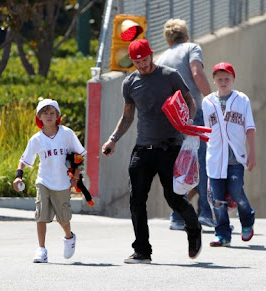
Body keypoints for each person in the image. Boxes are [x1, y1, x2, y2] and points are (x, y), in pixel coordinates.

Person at [102, 39, 202, 264]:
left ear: (151, 55)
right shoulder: (130, 83)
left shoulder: (170, 75)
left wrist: (188, 120)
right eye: (137, 62)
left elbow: (190, 102)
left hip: (170, 147)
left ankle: (193, 228)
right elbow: (127, 116)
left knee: (174, 198)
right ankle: (142, 251)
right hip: (143, 149)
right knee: (136, 199)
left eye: (145, 61)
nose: (142, 66)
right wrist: (113, 139)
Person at [157, 18, 215, 230]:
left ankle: (177, 216)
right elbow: (197, 73)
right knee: (201, 162)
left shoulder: (162, 57)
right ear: (186, 34)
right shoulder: (192, 48)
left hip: (172, 118)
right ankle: (206, 214)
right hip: (193, 114)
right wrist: (211, 99)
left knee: (180, 165)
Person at [13, 99, 86, 263]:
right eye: (44, 113)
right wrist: (19, 175)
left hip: (62, 183)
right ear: (39, 117)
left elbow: (79, 155)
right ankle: (41, 249)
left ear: (58, 115)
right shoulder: (36, 139)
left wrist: (75, 176)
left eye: (52, 112)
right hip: (43, 181)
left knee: (63, 218)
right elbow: (24, 160)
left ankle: (69, 237)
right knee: (40, 215)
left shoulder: (67, 134)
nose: (49, 116)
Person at [202, 62, 256, 247]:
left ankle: (247, 220)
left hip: (236, 158)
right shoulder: (208, 102)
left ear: (233, 80)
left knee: (236, 192)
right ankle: (222, 234)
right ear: (214, 80)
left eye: (227, 78)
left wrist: (252, 153)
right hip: (215, 158)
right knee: (217, 200)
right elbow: (207, 130)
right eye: (219, 79)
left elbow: (249, 128)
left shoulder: (242, 100)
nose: (223, 82)